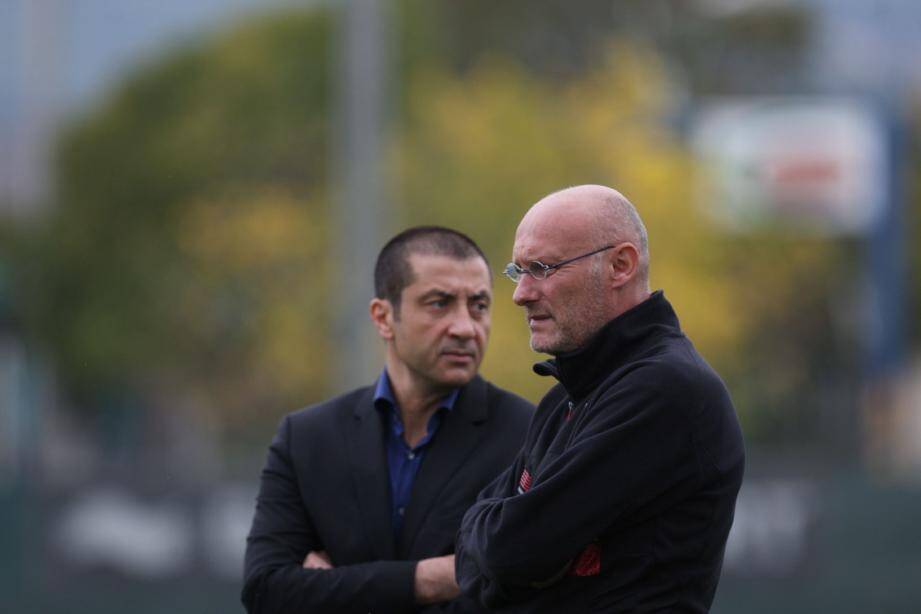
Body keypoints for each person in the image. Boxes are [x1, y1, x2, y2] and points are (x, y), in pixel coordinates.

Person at [455, 185, 745, 612]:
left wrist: (490, 542)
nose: (521, 293)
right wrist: (491, 545)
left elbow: (508, 551)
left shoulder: (667, 390)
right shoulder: (566, 397)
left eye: (542, 267)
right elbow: (485, 559)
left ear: (620, 266)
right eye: (518, 271)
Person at [242, 226, 533, 614]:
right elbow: (267, 591)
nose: (465, 327)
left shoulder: (527, 435)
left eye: (478, 305)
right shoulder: (308, 438)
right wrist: (435, 578)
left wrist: (333, 589)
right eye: (439, 303)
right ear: (383, 317)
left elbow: (524, 592)